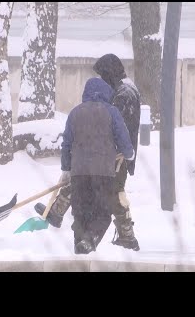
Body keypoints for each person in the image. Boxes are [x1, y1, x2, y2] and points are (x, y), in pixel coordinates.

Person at [35, 53, 141, 251]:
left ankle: (123, 235)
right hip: (113, 153)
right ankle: (122, 235)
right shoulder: (123, 88)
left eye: (102, 74)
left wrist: (122, 152)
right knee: (101, 189)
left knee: (110, 193)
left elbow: (118, 127)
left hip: (115, 155)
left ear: (109, 72)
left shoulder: (123, 92)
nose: (101, 78)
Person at [60, 77, 134, 254]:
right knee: (102, 213)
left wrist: (66, 169)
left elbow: (66, 144)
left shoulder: (75, 113)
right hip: (103, 174)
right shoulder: (111, 112)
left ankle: (81, 250)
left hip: (79, 173)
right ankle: (90, 238)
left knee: (80, 214)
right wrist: (129, 153)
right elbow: (123, 139)